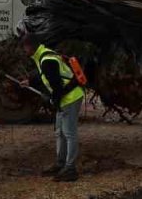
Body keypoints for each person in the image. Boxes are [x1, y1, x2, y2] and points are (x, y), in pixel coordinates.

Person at [22, 34, 85, 182]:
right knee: (59, 132)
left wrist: (52, 99)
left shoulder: (46, 60)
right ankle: (60, 164)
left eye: (24, 47)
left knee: (69, 133)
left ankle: (70, 169)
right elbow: (44, 74)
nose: (23, 50)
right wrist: (29, 81)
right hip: (64, 97)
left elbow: (57, 86)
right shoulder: (43, 55)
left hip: (71, 97)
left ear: (31, 46)